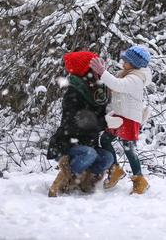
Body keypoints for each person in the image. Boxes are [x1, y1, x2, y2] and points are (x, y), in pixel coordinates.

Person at [47, 51, 119, 197]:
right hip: (66, 144)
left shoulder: (96, 90)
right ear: (86, 70)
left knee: (107, 158)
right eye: (95, 65)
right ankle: (65, 180)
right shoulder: (73, 93)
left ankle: (84, 182)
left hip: (87, 143)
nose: (99, 67)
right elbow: (75, 124)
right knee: (89, 154)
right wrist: (104, 122)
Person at [90, 45, 152, 194]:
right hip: (120, 114)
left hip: (129, 117)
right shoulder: (126, 73)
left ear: (135, 64)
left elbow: (118, 85)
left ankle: (139, 180)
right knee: (105, 140)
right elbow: (113, 85)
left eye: (126, 61)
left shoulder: (136, 78)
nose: (123, 62)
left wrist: (103, 72)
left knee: (128, 148)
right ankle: (115, 169)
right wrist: (101, 76)